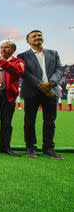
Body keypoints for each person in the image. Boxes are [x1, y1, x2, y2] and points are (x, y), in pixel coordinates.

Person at [17, 30, 64, 160]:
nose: (37, 37)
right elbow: (24, 73)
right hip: (32, 91)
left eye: (39, 35)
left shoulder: (53, 53)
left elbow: (59, 70)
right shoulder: (22, 56)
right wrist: (41, 85)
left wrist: (51, 83)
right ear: (28, 41)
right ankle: (31, 147)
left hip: (51, 90)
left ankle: (48, 148)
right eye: (34, 36)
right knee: (29, 121)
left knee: (50, 121)